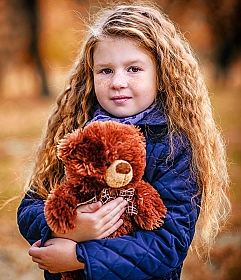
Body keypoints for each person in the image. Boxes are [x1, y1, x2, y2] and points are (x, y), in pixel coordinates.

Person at [17, 3, 231, 280]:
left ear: (161, 75)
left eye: (133, 69)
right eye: (105, 70)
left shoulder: (173, 147)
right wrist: (68, 228)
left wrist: (80, 258)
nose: (118, 81)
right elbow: (29, 209)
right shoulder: (75, 131)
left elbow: (168, 246)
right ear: (90, 74)